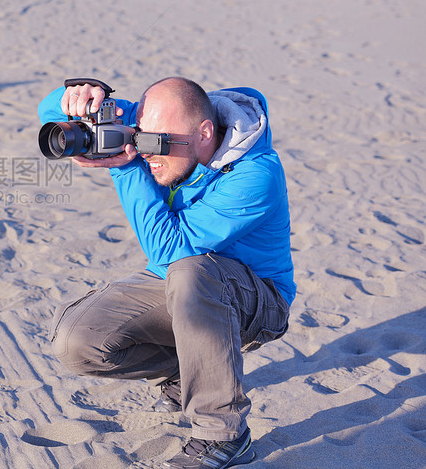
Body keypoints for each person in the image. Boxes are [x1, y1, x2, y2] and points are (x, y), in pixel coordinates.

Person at [37, 77, 295, 468]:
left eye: (154, 144)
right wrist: (76, 99)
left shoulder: (256, 174)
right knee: (77, 340)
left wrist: (125, 169)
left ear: (204, 133)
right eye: (139, 137)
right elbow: (49, 114)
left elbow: (170, 248)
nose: (145, 151)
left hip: (257, 302)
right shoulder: (153, 124)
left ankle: (224, 435)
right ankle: (188, 370)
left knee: (192, 270)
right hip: (178, 283)